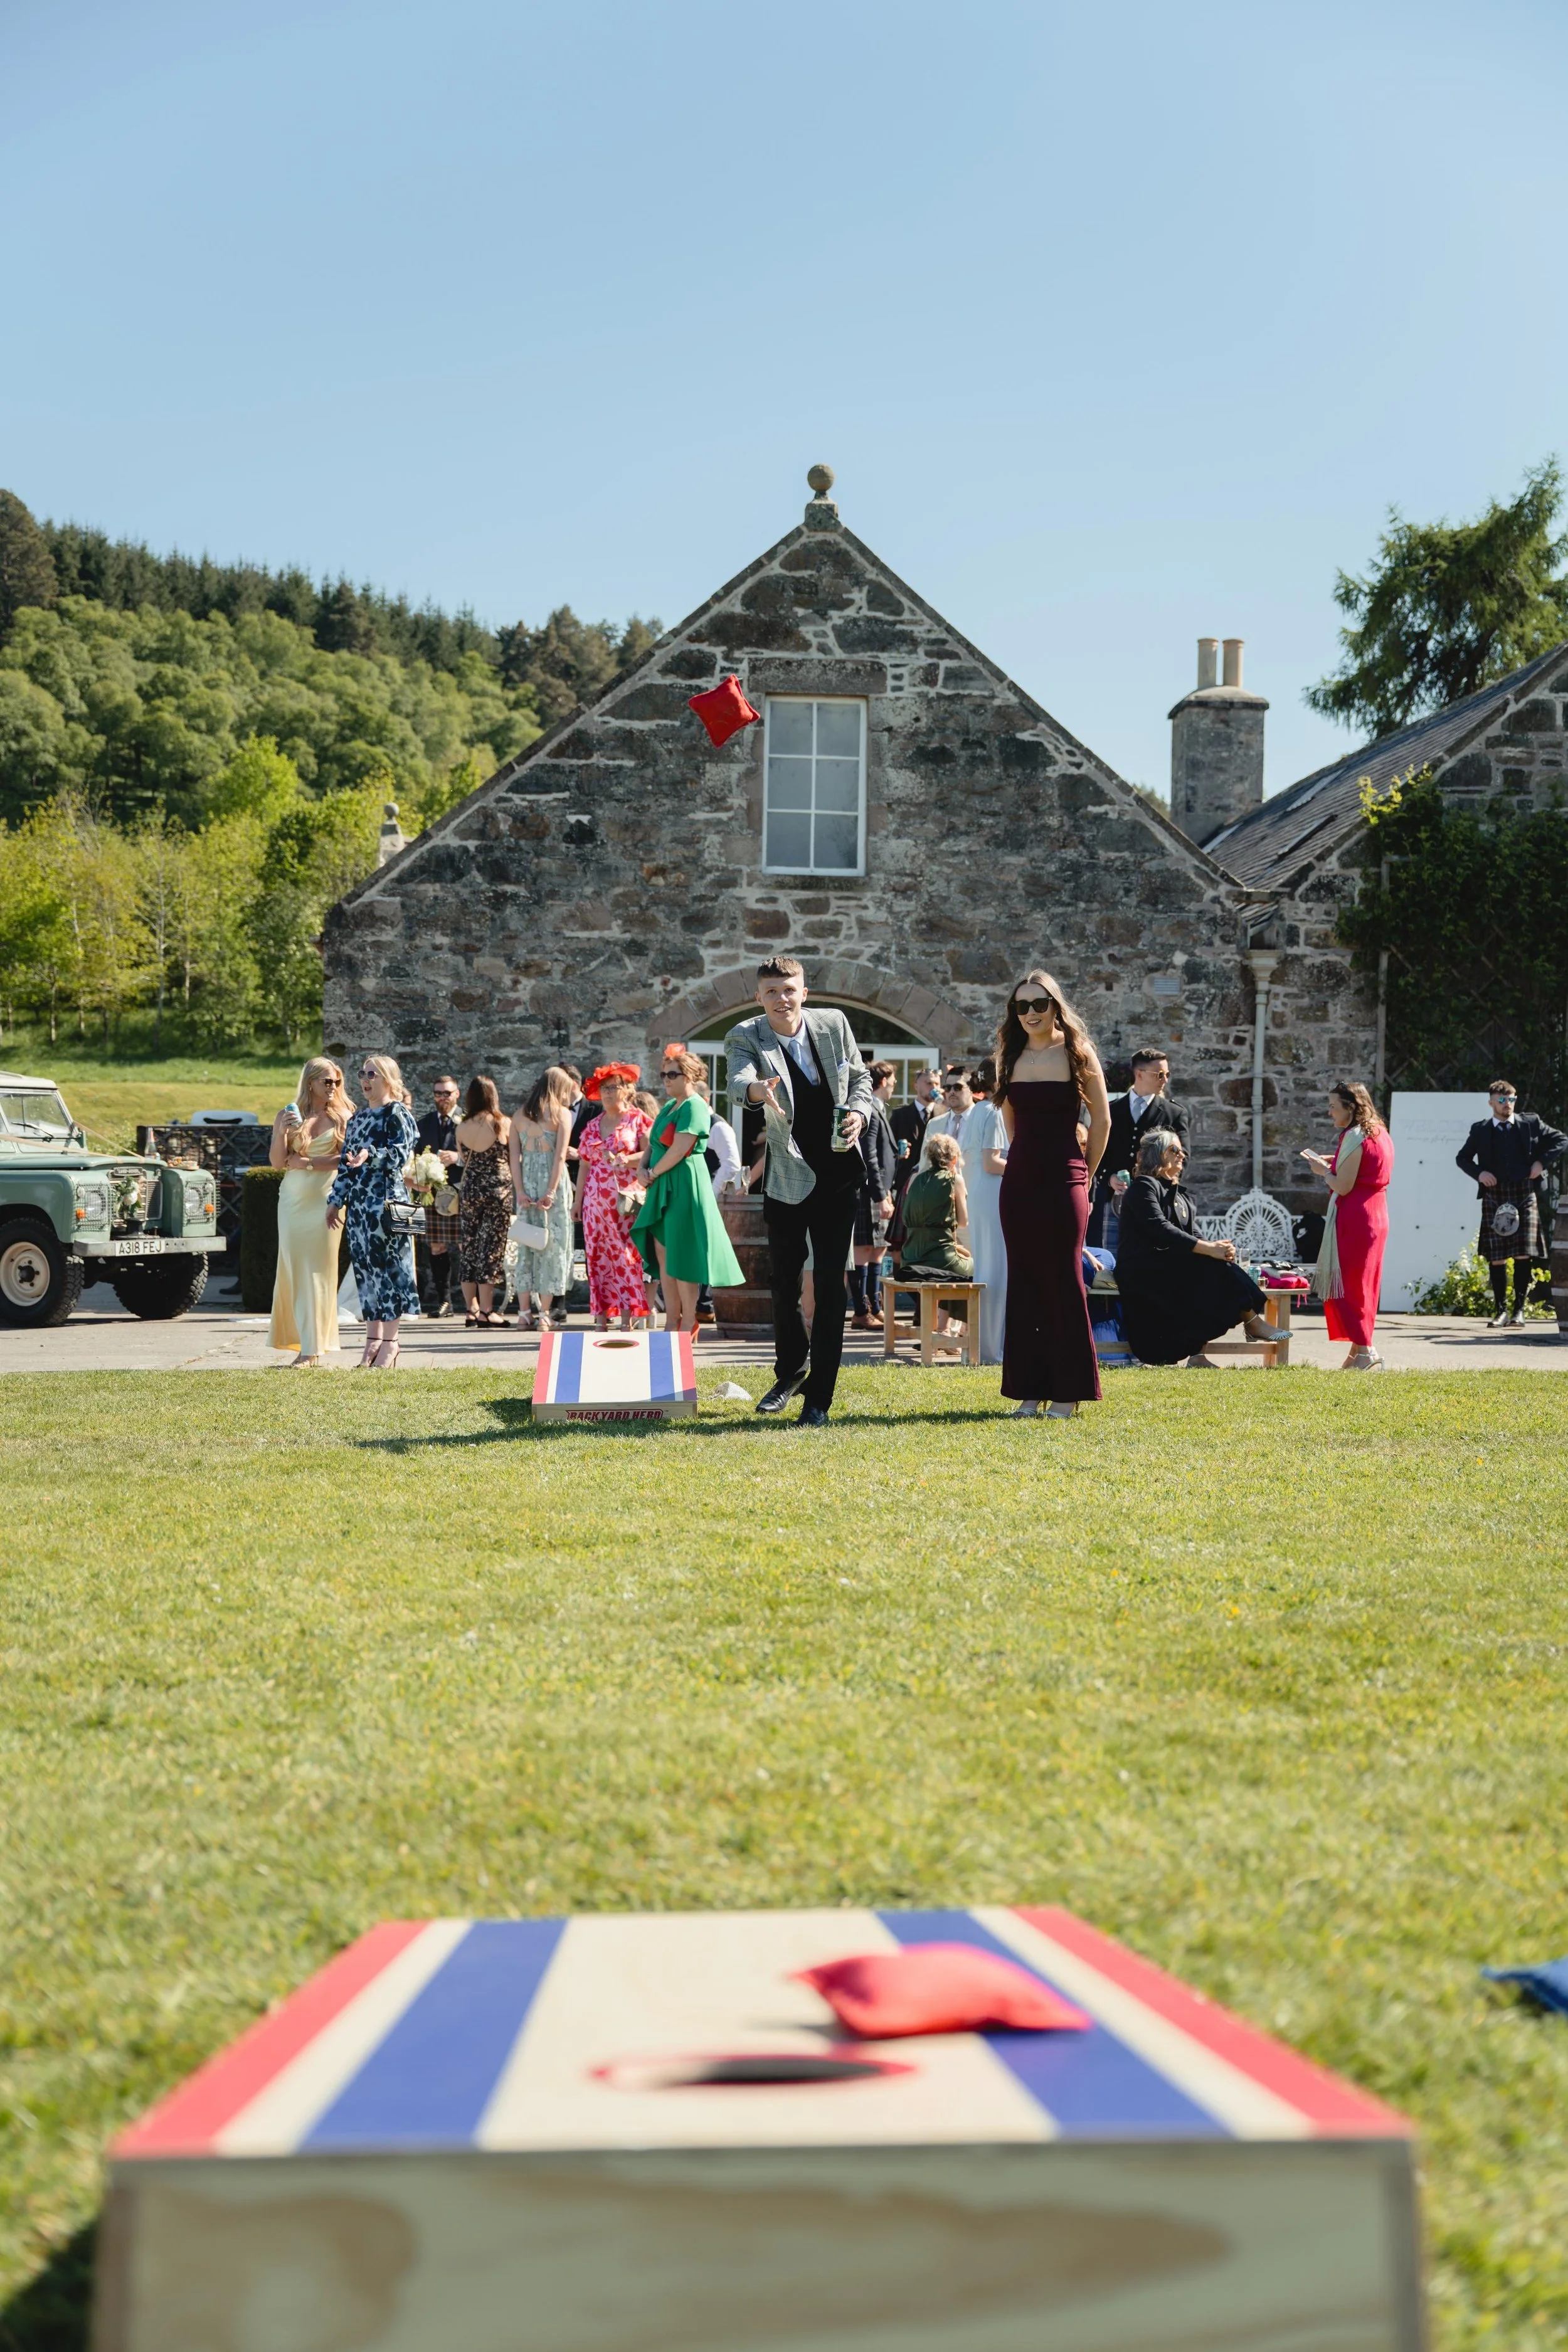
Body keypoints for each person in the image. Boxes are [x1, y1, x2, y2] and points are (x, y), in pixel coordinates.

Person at [724, 955, 873, 1426]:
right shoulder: (746, 1035)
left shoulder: (834, 1024)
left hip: (838, 1175)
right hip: (787, 1177)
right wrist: (756, 1092)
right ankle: (790, 1370)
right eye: (772, 992)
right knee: (783, 1282)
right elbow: (737, 1082)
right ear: (759, 998)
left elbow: (863, 1079)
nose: (782, 999)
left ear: (804, 992)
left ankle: (819, 1401)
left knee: (831, 1286)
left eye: (790, 990)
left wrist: (859, 1112)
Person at [994, 970, 1111, 1419]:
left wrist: (1087, 1173)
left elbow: (1101, 1122)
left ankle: (1069, 1391)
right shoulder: (1011, 1055)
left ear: (1054, 1006)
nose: (1029, 1013)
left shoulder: (1079, 1054)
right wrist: (1019, 1162)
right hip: (1020, 1181)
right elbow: (1011, 1125)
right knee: (1024, 1282)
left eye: (1038, 1004)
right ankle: (1028, 1390)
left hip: (1067, 1178)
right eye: (1020, 1006)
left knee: (1064, 1281)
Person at [1116, 1130, 1274, 1367]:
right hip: (1144, 1269)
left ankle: (1214, 1345)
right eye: (1174, 1150)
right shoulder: (1143, 1187)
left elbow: (1192, 1232)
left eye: (1182, 1150)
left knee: (1217, 1265)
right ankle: (1251, 1321)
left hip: (1169, 1265)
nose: (1182, 1155)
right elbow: (1160, 1228)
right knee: (1210, 1266)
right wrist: (1209, 1250)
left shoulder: (1180, 1194)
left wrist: (1218, 1248)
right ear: (1157, 1155)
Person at [632, 1051, 744, 1333]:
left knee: (682, 1254)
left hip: (683, 1183)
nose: (666, 1080)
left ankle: (689, 1321)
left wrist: (653, 1173)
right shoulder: (670, 1105)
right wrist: (641, 1169)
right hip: (662, 1183)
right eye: (664, 1074)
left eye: (673, 1074)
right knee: (663, 1252)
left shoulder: (694, 1106)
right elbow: (654, 1144)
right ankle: (672, 1320)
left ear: (691, 1076)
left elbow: (681, 1149)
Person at [327, 1054, 420, 1369]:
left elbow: (401, 1155)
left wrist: (372, 1154)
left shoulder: (398, 1113)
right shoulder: (358, 1118)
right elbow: (345, 1164)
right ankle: (372, 1344)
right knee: (366, 1273)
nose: (365, 1080)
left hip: (387, 1205)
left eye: (373, 1075)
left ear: (389, 1079)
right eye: (363, 1074)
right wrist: (336, 1200)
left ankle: (391, 1344)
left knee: (390, 1273)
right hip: (359, 1208)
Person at [1454, 1081, 1566, 1326]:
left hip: (1524, 1193)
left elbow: (1561, 1140)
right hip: (1495, 1194)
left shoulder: (1530, 1123)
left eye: (1512, 1100)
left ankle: (1519, 1311)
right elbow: (1462, 1158)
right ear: (1491, 1102)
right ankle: (1500, 1311)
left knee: (1523, 1254)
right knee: (1498, 1256)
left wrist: (1541, 1164)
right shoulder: (1481, 1130)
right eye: (1502, 1100)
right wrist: (1480, 1173)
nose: (1508, 1105)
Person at [1302, 1079, 1395, 1369]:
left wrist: (1322, 1171)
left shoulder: (1355, 1136)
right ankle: (1358, 1353)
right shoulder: (1379, 1132)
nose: (1329, 1112)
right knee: (1364, 1284)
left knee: (1355, 1287)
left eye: (1333, 1106)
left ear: (1351, 1108)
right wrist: (1336, 1163)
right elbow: (1363, 1172)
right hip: (1375, 1214)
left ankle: (1366, 1351)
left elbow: (1342, 1186)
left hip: (1357, 1217)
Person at [268, 1056, 349, 1366]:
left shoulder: (345, 1116)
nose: (333, 1087)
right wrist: (282, 1134)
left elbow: (349, 1159)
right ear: (311, 1082)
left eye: (337, 1082)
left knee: (318, 1271)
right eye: (327, 1081)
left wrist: (309, 1163)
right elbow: (277, 1163)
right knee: (294, 1270)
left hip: (326, 1202)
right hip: (291, 1202)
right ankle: (304, 1343)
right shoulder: (289, 1114)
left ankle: (312, 1348)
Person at [575, 1062, 654, 1330]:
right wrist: (577, 1202)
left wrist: (625, 1159)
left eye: (613, 1087)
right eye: (603, 1088)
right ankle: (600, 1318)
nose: (608, 1093)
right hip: (594, 1205)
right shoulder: (593, 1124)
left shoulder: (637, 1120)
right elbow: (584, 1164)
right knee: (597, 1258)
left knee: (626, 1257)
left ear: (627, 1089)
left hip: (626, 1203)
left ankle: (626, 1318)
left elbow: (650, 1155)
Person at [1089, 1051, 1189, 1248]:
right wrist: (1109, 1178)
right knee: (1110, 1266)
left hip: (1155, 1205)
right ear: (1140, 1074)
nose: (1165, 1080)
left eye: (1167, 1074)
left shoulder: (1174, 1114)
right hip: (1112, 1202)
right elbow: (1095, 1153)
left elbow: (1183, 1161)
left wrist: (1158, 1189)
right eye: (1160, 1074)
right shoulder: (1111, 1111)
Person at [509, 1065, 575, 1331]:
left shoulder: (519, 1115)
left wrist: (521, 1191)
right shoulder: (563, 1115)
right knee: (553, 1248)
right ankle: (545, 1314)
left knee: (526, 1246)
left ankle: (524, 1313)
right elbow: (560, 1156)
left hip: (526, 1184)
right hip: (553, 1186)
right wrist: (550, 1192)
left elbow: (515, 1157)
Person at [453, 1077, 511, 1327]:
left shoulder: (461, 1127)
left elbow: (463, 1161)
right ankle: (488, 1311)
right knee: (491, 1249)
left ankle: (470, 1310)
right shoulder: (502, 1123)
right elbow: (512, 1156)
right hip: (498, 1191)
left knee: (469, 1247)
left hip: (470, 1191)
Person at [849, 1060, 899, 1328]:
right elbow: (869, 1156)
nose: (893, 1088)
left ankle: (875, 1307)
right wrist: (881, 1196)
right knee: (863, 1250)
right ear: (882, 1082)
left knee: (878, 1249)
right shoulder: (868, 1109)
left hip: (880, 1192)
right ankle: (860, 1311)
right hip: (868, 1193)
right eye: (892, 1083)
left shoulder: (880, 1109)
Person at [964, 1086, 1009, 1364]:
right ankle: (992, 1349)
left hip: (978, 1193)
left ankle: (981, 1345)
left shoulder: (978, 1109)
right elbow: (992, 1162)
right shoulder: (993, 1110)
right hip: (993, 1193)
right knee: (996, 1272)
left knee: (985, 1269)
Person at [413, 1074, 463, 1316]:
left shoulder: (469, 1122)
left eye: (447, 1093)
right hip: (434, 1194)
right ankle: (445, 1302)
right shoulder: (422, 1125)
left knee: (468, 1246)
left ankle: (472, 1302)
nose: (443, 1098)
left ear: (457, 1094)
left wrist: (458, 1158)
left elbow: (483, 1155)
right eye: (438, 1093)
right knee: (436, 1247)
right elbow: (412, 1159)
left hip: (463, 1191)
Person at [897, 1130, 974, 1282]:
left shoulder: (914, 1178)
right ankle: (945, 1307)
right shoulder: (955, 1180)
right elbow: (964, 1223)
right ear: (954, 1160)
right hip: (943, 1261)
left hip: (910, 1259)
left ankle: (931, 1306)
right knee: (972, 1266)